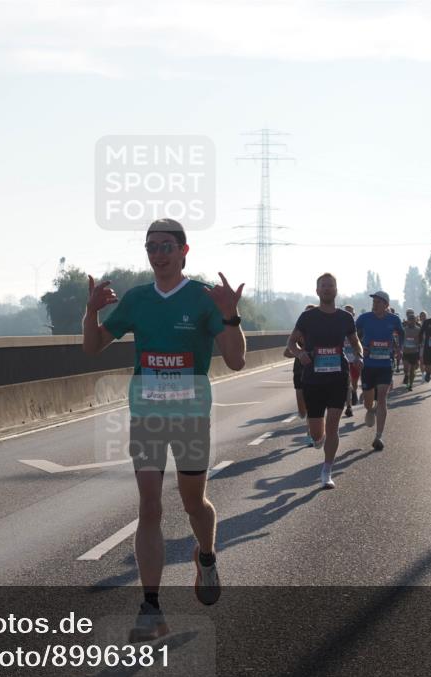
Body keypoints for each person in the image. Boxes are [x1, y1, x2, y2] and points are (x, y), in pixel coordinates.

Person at [83, 218, 246, 641]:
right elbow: (92, 346)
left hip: (191, 419)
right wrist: (90, 312)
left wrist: (230, 318)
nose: (158, 254)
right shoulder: (137, 299)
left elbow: (236, 361)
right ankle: (151, 606)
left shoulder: (202, 298)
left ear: (184, 251)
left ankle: (206, 555)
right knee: (149, 507)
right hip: (148, 417)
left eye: (166, 246)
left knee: (194, 503)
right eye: (152, 247)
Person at [287, 273, 363, 488]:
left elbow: (356, 342)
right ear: (317, 291)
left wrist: (360, 356)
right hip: (313, 379)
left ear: (336, 290)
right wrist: (300, 353)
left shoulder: (345, 318)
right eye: (323, 286)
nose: (327, 289)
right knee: (316, 433)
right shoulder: (308, 317)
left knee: (333, 426)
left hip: (338, 377)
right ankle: (317, 440)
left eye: (331, 285)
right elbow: (291, 343)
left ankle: (327, 470)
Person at [355, 291, 404, 451]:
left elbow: (401, 333)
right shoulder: (364, 318)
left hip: (384, 365)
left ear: (386, 305)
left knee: (382, 398)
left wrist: (399, 349)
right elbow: (352, 335)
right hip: (368, 365)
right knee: (369, 401)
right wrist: (361, 348)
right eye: (373, 302)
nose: (374, 304)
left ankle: (379, 436)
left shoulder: (394, 319)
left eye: (377, 302)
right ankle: (370, 409)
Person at [284, 305, 317, 444]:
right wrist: (299, 353)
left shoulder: (318, 330)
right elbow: (286, 353)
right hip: (299, 369)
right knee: (302, 408)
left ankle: (310, 433)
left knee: (311, 404)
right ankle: (304, 415)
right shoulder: (298, 330)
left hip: (314, 369)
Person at [342, 304, 360, 415]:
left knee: (354, 382)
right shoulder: (338, 326)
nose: (348, 314)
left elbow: (360, 341)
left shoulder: (358, 326)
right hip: (342, 359)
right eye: (346, 312)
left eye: (351, 312)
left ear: (353, 314)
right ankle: (348, 406)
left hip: (355, 359)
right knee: (347, 383)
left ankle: (354, 392)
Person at [400, 309, 421, 391]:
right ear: (408, 320)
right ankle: (406, 375)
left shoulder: (418, 329)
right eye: (410, 320)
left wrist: (418, 342)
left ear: (415, 320)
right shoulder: (404, 329)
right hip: (405, 351)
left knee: (412, 370)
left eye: (413, 320)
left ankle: (410, 385)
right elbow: (400, 338)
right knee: (406, 368)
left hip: (414, 352)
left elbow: (421, 339)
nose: (411, 321)